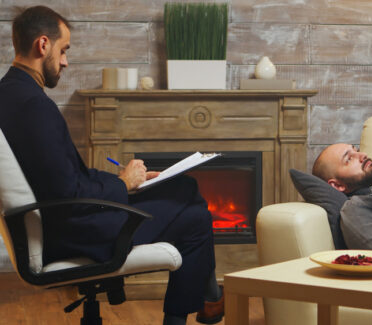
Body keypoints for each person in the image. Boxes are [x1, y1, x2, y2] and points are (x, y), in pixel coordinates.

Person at [0, 6, 223, 325]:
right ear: (43, 45)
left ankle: (212, 300)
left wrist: (127, 179)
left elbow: (63, 179)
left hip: (61, 219)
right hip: (75, 231)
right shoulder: (34, 106)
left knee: (184, 186)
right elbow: (67, 191)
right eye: (64, 50)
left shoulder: (9, 95)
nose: (65, 61)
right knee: (197, 217)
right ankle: (209, 300)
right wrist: (123, 185)